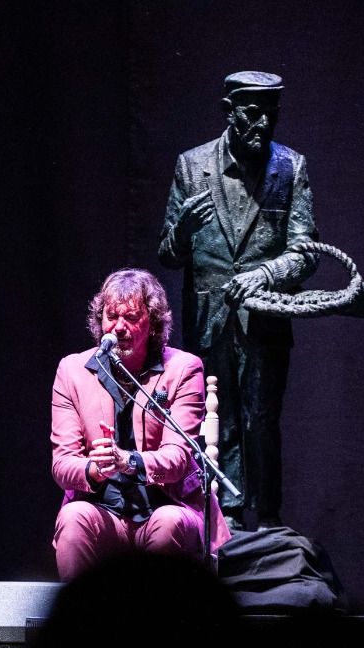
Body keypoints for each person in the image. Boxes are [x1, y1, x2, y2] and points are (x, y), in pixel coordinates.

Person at [157, 70, 318, 530]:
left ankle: (267, 518)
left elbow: (305, 251)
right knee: (215, 421)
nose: (263, 123)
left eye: (271, 113)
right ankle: (223, 517)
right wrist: (184, 231)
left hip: (265, 318)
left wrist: (267, 273)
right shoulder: (192, 165)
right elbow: (168, 253)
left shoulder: (290, 167)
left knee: (261, 421)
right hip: (208, 320)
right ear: (230, 112)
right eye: (253, 112)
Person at [51, 269, 230, 580]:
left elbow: (177, 459)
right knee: (73, 517)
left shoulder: (184, 369)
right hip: (101, 511)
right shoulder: (72, 371)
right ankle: (81, 625)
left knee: (169, 523)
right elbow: (63, 463)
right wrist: (95, 469)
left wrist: (128, 461)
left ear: (153, 323)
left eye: (131, 317)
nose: (119, 327)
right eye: (111, 316)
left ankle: (151, 628)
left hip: (166, 507)